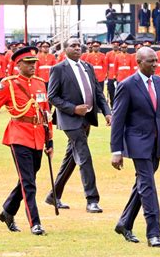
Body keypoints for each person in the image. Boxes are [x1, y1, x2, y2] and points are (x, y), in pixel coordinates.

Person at [111, 46, 160, 247]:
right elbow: (118, 120)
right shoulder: (127, 85)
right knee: (148, 187)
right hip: (137, 143)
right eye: (150, 61)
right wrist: (116, 151)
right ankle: (153, 233)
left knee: (142, 185)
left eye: (156, 60)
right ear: (138, 62)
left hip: (157, 143)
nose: (155, 64)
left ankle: (124, 222)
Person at [0, 46, 53, 236]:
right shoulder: (9, 84)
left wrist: (50, 141)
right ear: (18, 65)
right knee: (29, 182)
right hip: (19, 135)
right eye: (28, 63)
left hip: (38, 136)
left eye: (34, 62)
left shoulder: (41, 83)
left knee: (28, 179)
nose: (33, 66)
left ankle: (8, 211)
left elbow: (46, 112)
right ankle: (35, 222)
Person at [45, 37, 112, 212]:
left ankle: (53, 195)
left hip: (87, 118)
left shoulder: (87, 67)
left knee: (71, 159)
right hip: (70, 119)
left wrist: (107, 112)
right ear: (64, 49)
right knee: (84, 156)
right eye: (72, 46)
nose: (77, 48)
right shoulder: (58, 69)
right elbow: (52, 96)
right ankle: (92, 200)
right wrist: (74, 109)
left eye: (78, 46)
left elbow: (98, 92)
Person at [105, 40, 120, 107]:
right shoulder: (108, 54)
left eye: (116, 45)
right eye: (114, 45)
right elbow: (106, 65)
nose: (115, 47)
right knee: (111, 91)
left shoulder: (120, 54)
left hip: (119, 75)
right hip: (111, 75)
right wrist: (106, 74)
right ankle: (112, 105)